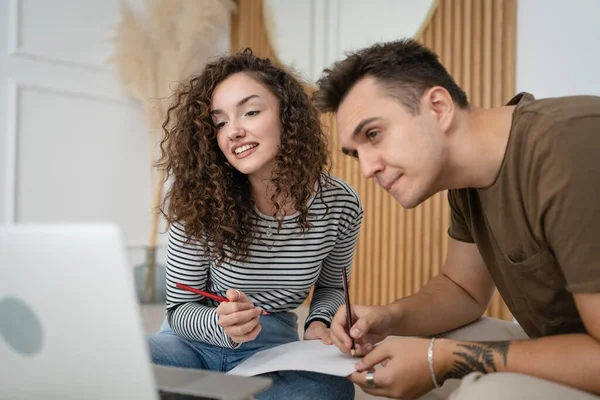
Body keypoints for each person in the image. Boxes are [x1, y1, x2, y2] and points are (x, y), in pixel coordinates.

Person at [312, 38, 600, 400]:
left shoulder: (568, 145)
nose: (368, 169)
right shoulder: (466, 185)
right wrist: (388, 317)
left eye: (374, 134)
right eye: (357, 154)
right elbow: (463, 290)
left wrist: (442, 358)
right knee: (387, 357)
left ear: (438, 107)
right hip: (564, 346)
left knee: (484, 392)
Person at [147, 49, 363, 400]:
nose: (233, 132)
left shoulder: (340, 204)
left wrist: (319, 324)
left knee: (329, 390)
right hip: (190, 343)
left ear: (287, 116)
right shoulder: (197, 199)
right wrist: (220, 323)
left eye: (250, 112)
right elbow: (179, 307)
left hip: (272, 349)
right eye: (220, 122)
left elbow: (330, 288)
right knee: (125, 361)